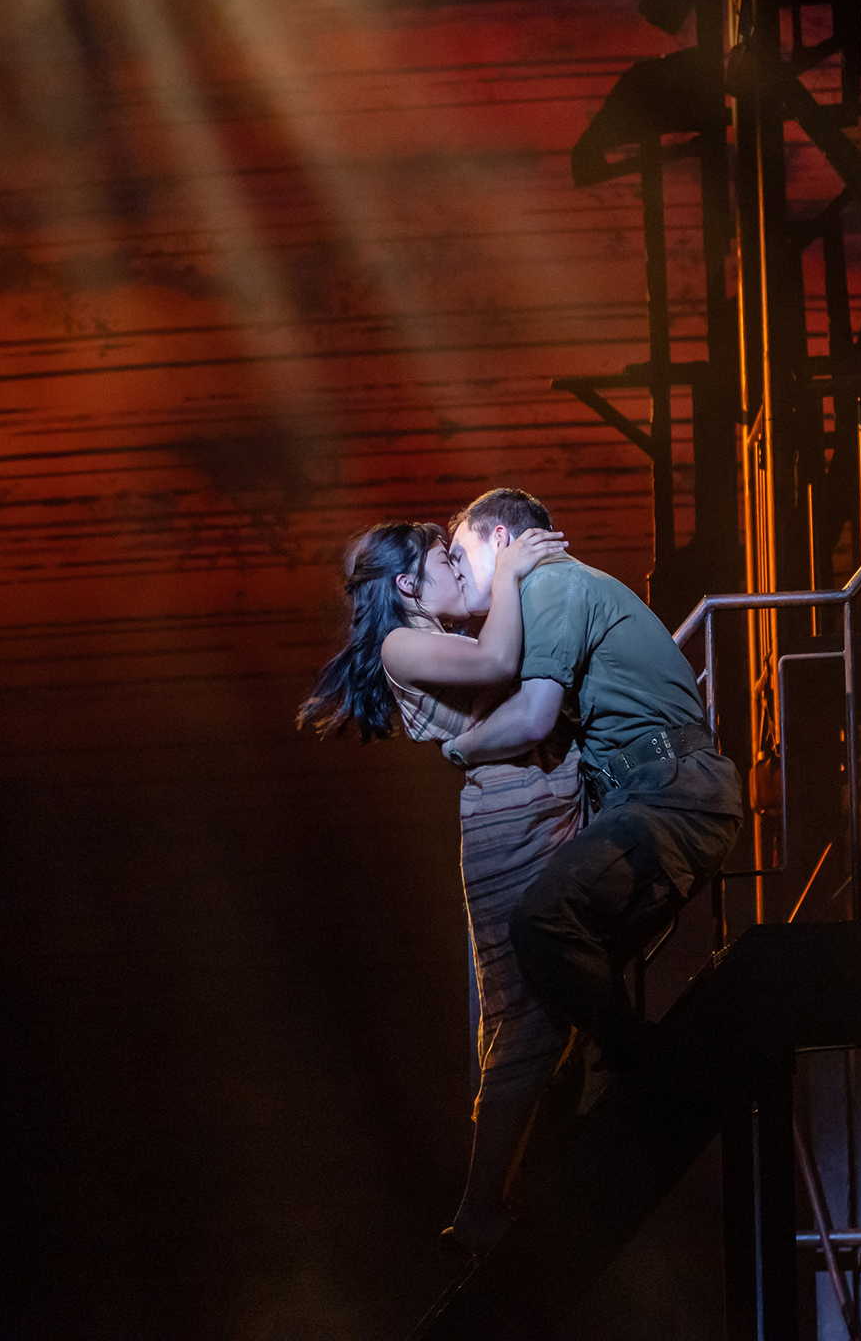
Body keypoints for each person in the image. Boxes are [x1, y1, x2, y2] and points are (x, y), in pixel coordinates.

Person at [295, 518, 579, 1254]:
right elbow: (497, 660)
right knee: (523, 1009)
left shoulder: (432, 634)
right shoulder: (400, 643)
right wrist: (512, 571)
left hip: (535, 807)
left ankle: (515, 1189)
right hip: (505, 825)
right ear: (406, 584)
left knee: (549, 1002)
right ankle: (481, 1205)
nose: (461, 569)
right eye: (443, 561)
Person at [438, 488, 745, 1096]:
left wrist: (459, 750)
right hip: (655, 792)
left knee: (542, 920)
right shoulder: (537, 600)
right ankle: (582, 1095)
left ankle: (643, 1068)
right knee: (551, 964)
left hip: (671, 794)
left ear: (502, 540)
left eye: (457, 554)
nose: (451, 570)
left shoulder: (550, 584)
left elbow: (533, 717)